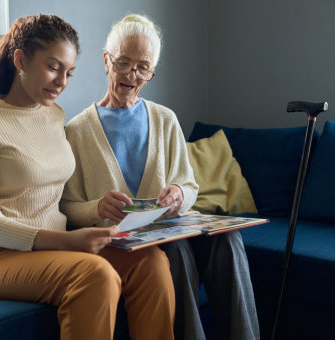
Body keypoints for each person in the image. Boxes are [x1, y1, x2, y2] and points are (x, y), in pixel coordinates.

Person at [0, 14, 175, 340]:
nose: (61, 81)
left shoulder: (55, 115)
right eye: (53, 67)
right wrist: (68, 240)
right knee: (96, 275)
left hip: (53, 250)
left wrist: (95, 217)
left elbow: (62, 201)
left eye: (68, 72)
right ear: (20, 60)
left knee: (149, 261)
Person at [60, 14, 260, 340]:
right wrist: (98, 208)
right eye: (124, 63)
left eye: (144, 67)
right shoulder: (77, 131)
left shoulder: (166, 119)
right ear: (106, 61)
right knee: (175, 252)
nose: (132, 75)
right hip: (133, 244)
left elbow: (189, 184)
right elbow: (67, 207)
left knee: (229, 240)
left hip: (176, 226)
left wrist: (180, 193)